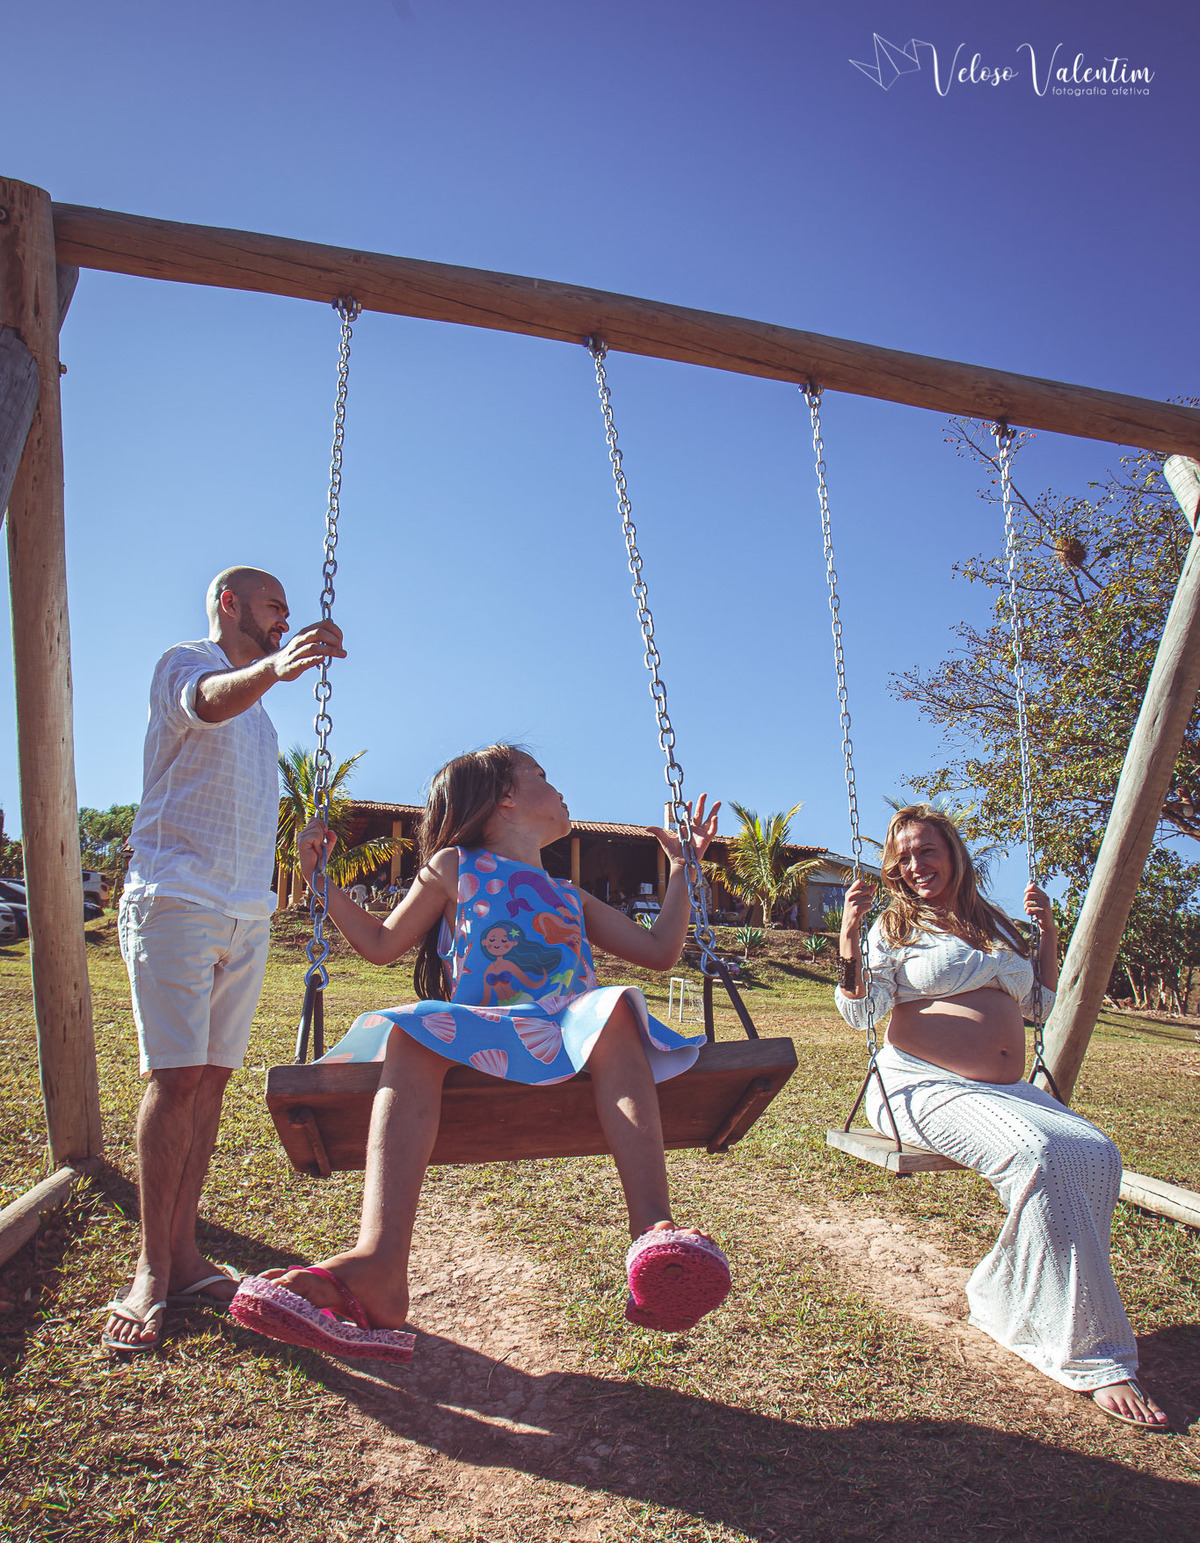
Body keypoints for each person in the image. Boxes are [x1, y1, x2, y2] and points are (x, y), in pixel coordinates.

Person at [231, 744, 732, 1359]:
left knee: (615, 1007)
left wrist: (683, 867)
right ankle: (380, 1265)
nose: (560, 788)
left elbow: (658, 952)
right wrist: (320, 881)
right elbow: (381, 944)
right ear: (506, 798)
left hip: (572, 1030)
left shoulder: (568, 894)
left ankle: (654, 1235)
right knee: (412, 1031)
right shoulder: (454, 868)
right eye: (543, 777)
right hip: (487, 1027)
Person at [835, 804, 1167, 1430]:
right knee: (1042, 1155)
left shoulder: (995, 925)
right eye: (903, 857)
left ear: (953, 853)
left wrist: (1047, 939)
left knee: (1096, 1151)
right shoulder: (892, 927)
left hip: (1003, 1090)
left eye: (926, 851)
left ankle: (1006, 1293)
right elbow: (860, 1014)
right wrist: (851, 939)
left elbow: (1040, 1007)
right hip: (917, 1085)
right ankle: (1090, 1354)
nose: (914, 866)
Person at [102, 567, 345, 1353]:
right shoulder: (188, 661)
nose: (286, 618)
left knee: (209, 1082)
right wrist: (276, 668)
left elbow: (237, 802)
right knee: (174, 1080)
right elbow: (207, 702)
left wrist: (298, 850)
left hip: (245, 909)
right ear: (230, 604)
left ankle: (184, 1258)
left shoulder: (265, 724)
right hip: (174, 897)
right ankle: (149, 1270)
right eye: (275, 605)